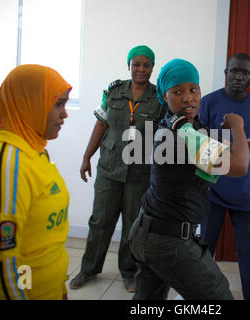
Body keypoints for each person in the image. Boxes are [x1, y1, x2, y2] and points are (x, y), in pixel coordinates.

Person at [128, 58, 250, 300]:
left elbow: (226, 158)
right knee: (218, 295)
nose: (188, 97)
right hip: (169, 242)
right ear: (164, 96)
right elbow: (239, 166)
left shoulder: (184, 126)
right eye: (177, 92)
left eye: (193, 90)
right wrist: (237, 126)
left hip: (151, 235)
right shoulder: (184, 133)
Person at [0, 64, 72, 299]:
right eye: (58, 104)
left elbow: (43, 241)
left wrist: (59, 289)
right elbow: (3, 274)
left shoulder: (34, 153)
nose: (64, 113)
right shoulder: (6, 170)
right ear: (29, 104)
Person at [69, 45, 166, 292]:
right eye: (136, 64)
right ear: (129, 66)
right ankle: (88, 269)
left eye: (146, 65)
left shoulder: (160, 98)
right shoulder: (113, 92)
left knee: (133, 224)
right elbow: (100, 125)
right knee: (100, 221)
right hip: (109, 169)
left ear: (152, 68)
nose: (141, 69)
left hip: (140, 173)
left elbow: (164, 137)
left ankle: (129, 272)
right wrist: (86, 157)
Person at [199, 53, 250, 300]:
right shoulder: (209, 103)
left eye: (244, 72)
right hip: (212, 191)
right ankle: (193, 296)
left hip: (247, 194)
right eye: (234, 71)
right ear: (226, 72)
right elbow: (198, 146)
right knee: (201, 251)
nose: (239, 76)